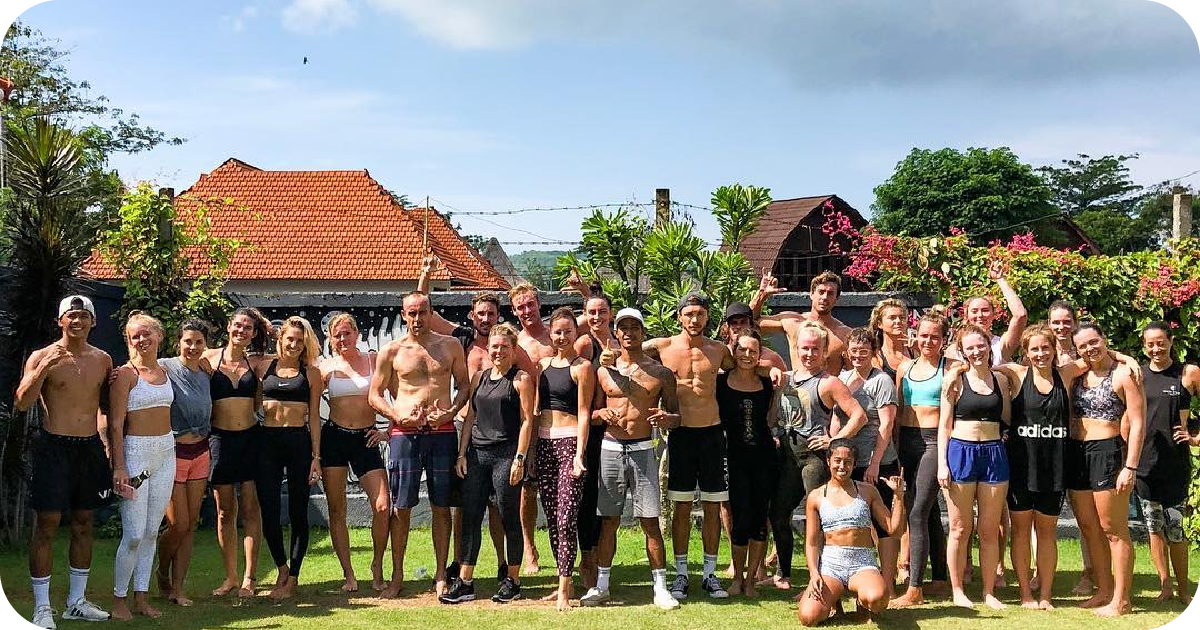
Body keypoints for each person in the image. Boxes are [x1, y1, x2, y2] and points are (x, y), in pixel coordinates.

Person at [644, 293, 782, 601]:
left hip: (711, 436)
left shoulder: (719, 350)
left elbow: (746, 365)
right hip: (680, 435)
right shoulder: (661, 347)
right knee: (680, 507)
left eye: (701, 314)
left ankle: (709, 574)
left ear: (708, 318)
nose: (695, 319)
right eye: (689, 313)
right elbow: (630, 354)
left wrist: (770, 370)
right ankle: (681, 574)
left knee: (712, 507)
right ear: (679, 316)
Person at [18, 295, 114, 630]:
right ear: (61, 321)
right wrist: (44, 368)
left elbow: (104, 408)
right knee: (46, 523)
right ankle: (42, 608)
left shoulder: (103, 360)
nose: (78, 322)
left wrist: (106, 445)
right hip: (53, 446)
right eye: (72, 316)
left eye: (85, 316)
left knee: (85, 522)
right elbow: (21, 402)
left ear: (93, 322)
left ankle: (76, 601)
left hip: (88, 449)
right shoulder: (41, 356)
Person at [418, 258, 514, 581]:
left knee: (498, 504)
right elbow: (425, 314)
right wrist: (425, 278)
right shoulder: (461, 339)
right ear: (473, 315)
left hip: (499, 434)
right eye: (481, 314)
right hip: (463, 429)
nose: (486, 319)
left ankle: (503, 563)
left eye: (491, 314)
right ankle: (460, 564)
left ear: (498, 316)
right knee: (462, 505)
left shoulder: (507, 345)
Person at [580, 308, 682, 610]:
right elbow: (593, 412)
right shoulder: (603, 371)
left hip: (642, 449)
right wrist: (603, 414)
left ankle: (660, 588)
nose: (628, 333)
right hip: (610, 448)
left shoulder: (661, 373)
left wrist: (666, 418)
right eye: (622, 327)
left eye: (634, 327)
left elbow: (677, 417)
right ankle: (602, 586)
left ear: (643, 332)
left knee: (650, 521)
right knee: (608, 520)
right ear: (616, 333)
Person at [370, 291, 470, 598]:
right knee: (401, 507)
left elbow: (465, 385)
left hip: (442, 434)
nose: (417, 318)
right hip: (405, 434)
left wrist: (452, 411)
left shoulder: (450, 345)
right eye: (411, 313)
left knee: (442, 506)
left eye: (422, 312)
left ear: (430, 312)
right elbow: (374, 395)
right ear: (403, 315)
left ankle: (441, 574)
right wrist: (396, 413)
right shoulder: (391, 351)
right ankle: (398, 574)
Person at [769, 322, 866, 591]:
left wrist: (834, 440)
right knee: (778, 513)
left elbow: (859, 415)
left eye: (815, 349)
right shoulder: (785, 378)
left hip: (814, 457)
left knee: (821, 518)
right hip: (788, 453)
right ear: (796, 349)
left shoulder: (829, 382)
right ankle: (783, 573)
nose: (809, 354)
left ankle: (828, 574)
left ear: (824, 352)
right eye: (804, 348)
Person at [442, 324, 534, 605]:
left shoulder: (521, 379)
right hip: (477, 456)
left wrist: (520, 458)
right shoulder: (480, 377)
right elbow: (470, 418)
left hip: (506, 455)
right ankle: (466, 581)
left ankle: (513, 580)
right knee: (470, 517)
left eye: (504, 347)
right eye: (494, 346)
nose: (498, 351)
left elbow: (528, 420)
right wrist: (461, 454)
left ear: (513, 349)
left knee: (508, 517)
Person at [1067, 322, 1146, 617]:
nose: (1090, 349)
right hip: (1077, 453)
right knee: (1089, 528)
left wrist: (1130, 465)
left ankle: (1122, 600)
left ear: (1104, 339)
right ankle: (1103, 591)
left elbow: (1138, 422)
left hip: (1108, 452)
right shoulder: (1078, 373)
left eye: (1094, 342)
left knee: (1114, 530)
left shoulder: (1124, 374)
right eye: (1083, 346)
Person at [936, 324, 1013, 610]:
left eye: (980, 345)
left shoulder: (1001, 381)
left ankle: (989, 591)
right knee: (959, 527)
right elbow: (944, 426)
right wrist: (943, 464)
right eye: (970, 347)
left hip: (993, 453)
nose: (976, 351)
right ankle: (957, 590)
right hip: (961, 452)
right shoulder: (954, 381)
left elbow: (1007, 418)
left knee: (990, 530)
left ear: (988, 347)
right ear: (962, 351)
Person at [107, 313, 176, 620]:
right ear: (128, 340)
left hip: (166, 452)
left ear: (159, 336)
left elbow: (206, 354)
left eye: (147, 333)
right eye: (135, 336)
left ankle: (142, 598)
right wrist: (119, 466)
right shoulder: (125, 374)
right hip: (135, 453)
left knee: (151, 530)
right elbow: (116, 423)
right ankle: (119, 599)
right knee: (133, 533)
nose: (141, 340)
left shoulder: (167, 369)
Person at [318, 313, 391, 593]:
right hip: (334, 438)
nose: (342, 339)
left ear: (357, 334)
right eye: (337, 335)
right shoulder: (325, 368)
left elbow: (399, 392)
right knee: (337, 510)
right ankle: (348, 574)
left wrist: (389, 430)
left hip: (366, 438)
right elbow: (310, 408)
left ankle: (377, 565)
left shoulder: (374, 361)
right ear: (330, 339)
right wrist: (314, 453)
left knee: (383, 506)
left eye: (347, 333)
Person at [202, 307, 272, 598]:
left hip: (250, 440)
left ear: (254, 334)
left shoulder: (256, 363)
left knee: (251, 510)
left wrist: (267, 327)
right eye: (237, 325)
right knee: (224, 511)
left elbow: (292, 352)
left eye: (248, 328)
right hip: (219, 440)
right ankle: (230, 576)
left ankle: (249, 577)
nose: (241, 331)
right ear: (229, 327)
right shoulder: (208, 359)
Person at [798, 440, 906, 626]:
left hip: (862, 562)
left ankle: (862, 601)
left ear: (855, 464)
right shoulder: (816, 496)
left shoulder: (868, 491)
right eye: (837, 460)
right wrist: (814, 573)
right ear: (828, 461)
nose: (842, 466)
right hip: (831, 565)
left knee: (878, 600)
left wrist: (898, 496)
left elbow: (893, 529)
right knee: (809, 617)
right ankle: (834, 602)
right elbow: (812, 542)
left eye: (848, 462)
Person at [889, 312, 955, 608]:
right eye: (924, 335)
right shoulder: (904, 366)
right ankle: (939, 578)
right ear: (916, 336)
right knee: (926, 513)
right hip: (907, 442)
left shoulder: (950, 366)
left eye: (935, 337)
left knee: (916, 513)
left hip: (933, 443)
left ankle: (914, 588)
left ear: (944, 341)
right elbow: (900, 410)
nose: (928, 341)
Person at [256, 316, 323, 601]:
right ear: (280, 338)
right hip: (267, 442)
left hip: (298, 441)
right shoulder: (264, 366)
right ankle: (281, 568)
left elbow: (316, 417)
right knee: (269, 512)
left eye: (300, 340)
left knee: (298, 512)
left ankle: (293, 577)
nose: (294, 345)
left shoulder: (311, 373)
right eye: (290, 339)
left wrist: (316, 457)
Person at [534, 308, 595, 610]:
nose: (562, 337)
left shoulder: (581, 367)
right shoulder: (542, 365)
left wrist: (580, 455)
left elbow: (584, 412)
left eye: (567, 331)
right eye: (557, 331)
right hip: (544, 444)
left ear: (575, 333)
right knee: (552, 520)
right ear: (550, 333)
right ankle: (562, 582)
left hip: (570, 443)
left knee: (566, 517)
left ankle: (564, 588)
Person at [834, 328, 901, 599]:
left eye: (864, 351)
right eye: (854, 351)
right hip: (851, 462)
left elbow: (887, 424)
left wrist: (875, 463)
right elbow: (837, 415)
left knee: (883, 524)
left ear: (873, 352)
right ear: (847, 353)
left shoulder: (881, 380)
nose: (858, 356)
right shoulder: (843, 379)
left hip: (879, 462)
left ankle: (889, 583)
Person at [1138, 321, 1199, 605]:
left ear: (1171, 341)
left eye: (1161, 342)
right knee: (1154, 528)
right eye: (1150, 343)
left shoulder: (1187, 374)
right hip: (1144, 465)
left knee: (1175, 530)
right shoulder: (1138, 374)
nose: (1156, 348)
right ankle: (1165, 586)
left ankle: (1184, 590)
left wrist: (1196, 435)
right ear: (1144, 346)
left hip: (1175, 466)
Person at [156, 320, 213, 607]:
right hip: (174, 453)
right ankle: (162, 571)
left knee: (190, 525)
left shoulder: (206, 373)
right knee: (178, 524)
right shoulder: (164, 366)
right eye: (188, 341)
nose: (193, 347)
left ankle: (178, 589)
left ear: (205, 345)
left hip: (201, 452)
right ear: (178, 342)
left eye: (199, 342)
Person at [717, 329, 779, 598]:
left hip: (764, 457)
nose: (747, 355)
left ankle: (752, 579)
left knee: (759, 520)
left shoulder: (767, 382)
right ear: (733, 350)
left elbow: (772, 418)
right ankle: (738, 577)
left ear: (759, 355)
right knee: (739, 519)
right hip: (734, 456)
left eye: (753, 351)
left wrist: (779, 387)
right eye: (742, 349)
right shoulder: (721, 382)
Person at [508, 282, 556, 575]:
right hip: (524, 422)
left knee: (555, 490)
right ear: (514, 311)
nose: (527, 311)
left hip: (556, 420)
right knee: (526, 490)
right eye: (520, 307)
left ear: (539, 304)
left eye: (530, 305)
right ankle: (529, 547)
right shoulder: (515, 342)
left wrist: (586, 291)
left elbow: (594, 319)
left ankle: (559, 546)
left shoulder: (557, 335)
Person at [752, 271, 852, 373]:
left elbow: (854, 374)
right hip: (797, 387)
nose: (825, 297)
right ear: (812, 294)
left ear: (837, 298)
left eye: (830, 293)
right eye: (821, 292)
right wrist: (762, 294)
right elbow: (750, 323)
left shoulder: (845, 335)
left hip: (828, 387)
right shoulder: (793, 321)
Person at [722, 301, 787, 370]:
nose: (738, 326)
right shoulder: (720, 355)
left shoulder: (770, 358)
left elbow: (784, 378)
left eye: (743, 322)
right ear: (727, 327)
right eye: (734, 323)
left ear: (751, 325)